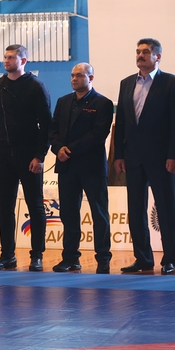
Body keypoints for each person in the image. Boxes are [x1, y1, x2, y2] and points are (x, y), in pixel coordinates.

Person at [114, 39, 175, 275]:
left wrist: (174, 155)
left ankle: (170, 259)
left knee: (166, 209)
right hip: (133, 158)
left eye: (146, 52)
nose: (140, 55)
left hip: (161, 158)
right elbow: (121, 122)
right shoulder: (126, 83)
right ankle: (143, 258)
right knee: (135, 211)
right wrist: (119, 155)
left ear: (158, 57)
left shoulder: (170, 82)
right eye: (138, 52)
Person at [0, 45, 51, 272]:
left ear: (23, 61)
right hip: (3, 154)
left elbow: (46, 125)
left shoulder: (36, 86)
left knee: (35, 205)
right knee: (5, 208)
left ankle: (37, 255)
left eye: (11, 57)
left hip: (28, 155)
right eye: (5, 57)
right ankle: (7, 255)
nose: (6, 61)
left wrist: (39, 156)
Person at [49, 63, 114, 274]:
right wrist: (58, 148)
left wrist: (70, 149)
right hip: (66, 166)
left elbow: (98, 134)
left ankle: (103, 258)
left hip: (91, 166)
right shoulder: (63, 101)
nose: (74, 79)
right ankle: (70, 258)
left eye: (79, 75)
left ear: (90, 78)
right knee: (68, 214)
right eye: (72, 75)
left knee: (99, 214)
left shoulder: (102, 103)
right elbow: (52, 130)